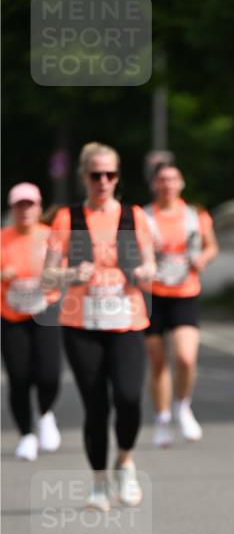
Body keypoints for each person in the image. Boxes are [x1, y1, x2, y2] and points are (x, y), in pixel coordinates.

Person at [43, 142, 155, 510]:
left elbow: (151, 266)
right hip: (81, 323)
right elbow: (48, 275)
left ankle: (124, 461)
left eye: (110, 174)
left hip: (127, 320)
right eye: (96, 175)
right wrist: (71, 273)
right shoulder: (66, 218)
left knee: (128, 398)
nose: (103, 181)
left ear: (117, 177)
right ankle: (98, 482)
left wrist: (142, 272)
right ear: (83, 178)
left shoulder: (133, 215)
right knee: (95, 406)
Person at [143, 163, 218, 446]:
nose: (167, 184)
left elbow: (212, 245)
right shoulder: (143, 216)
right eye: (162, 179)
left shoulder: (195, 215)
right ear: (154, 184)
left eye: (172, 178)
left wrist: (204, 258)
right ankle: (162, 418)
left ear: (181, 183)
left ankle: (182, 404)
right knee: (158, 360)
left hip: (185, 292)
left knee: (186, 357)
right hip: (152, 295)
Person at [1, 182, 62, 461]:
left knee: (49, 374)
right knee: (19, 377)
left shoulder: (51, 237)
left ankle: (46, 412)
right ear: (12, 208)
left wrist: (53, 275)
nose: (24, 210)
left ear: (39, 208)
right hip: (11, 315)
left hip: (45, 311)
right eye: (19, 205)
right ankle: (26, 435)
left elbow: (66, 271)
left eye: (30, 204)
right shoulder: (3, 239)